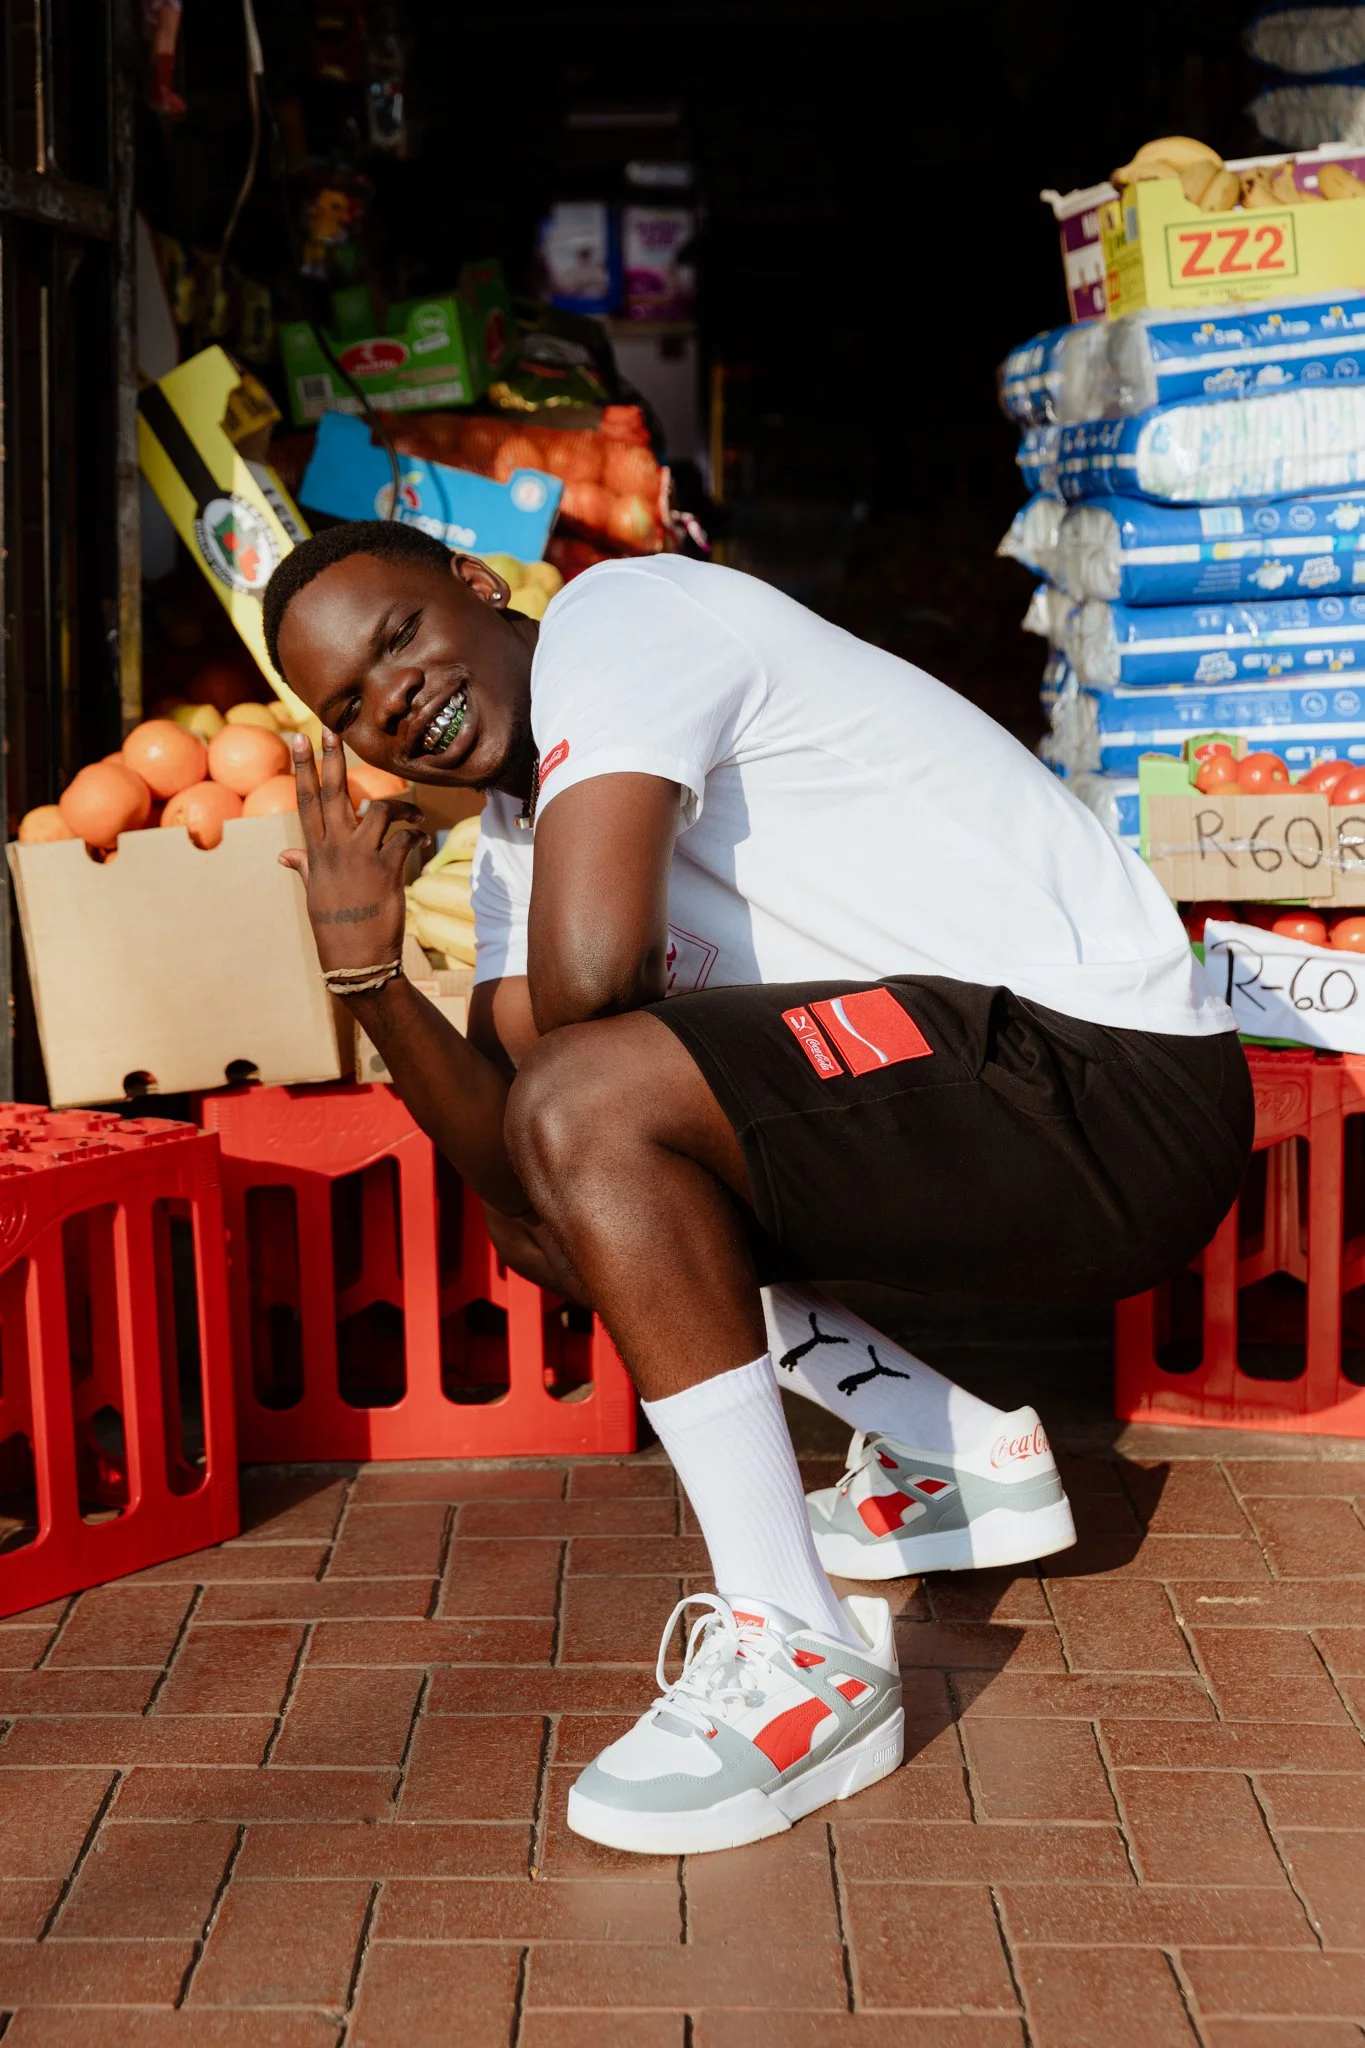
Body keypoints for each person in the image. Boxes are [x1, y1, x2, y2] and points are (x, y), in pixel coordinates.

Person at [262, 520, 1252, 1857]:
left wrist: (524, 1037)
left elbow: (591, 990)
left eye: (399, 639)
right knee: (569, 1184)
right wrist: (366, 976)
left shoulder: (623, 621)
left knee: (585, 1096)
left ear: (482, 589)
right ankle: (951, 1455)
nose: (392, 699)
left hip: (1109, 1081)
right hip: (992, 1107)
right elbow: (519, 1178)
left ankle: (803, 1657)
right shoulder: (514, 843)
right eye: (351, 705)